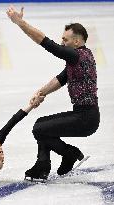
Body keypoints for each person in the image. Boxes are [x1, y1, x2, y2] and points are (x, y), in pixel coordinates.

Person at [7, 6, 100, 180]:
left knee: (40, 129)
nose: (62, 42)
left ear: (77, 42)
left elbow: (45, 42)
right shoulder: (81, 57)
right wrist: (40, 93)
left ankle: (67, 154)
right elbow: (61, 79)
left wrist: (20, 23)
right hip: (85, 115)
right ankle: (43, 166)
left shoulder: (77, 56)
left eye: (65, 40)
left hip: (86, 118)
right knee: (42, 125)